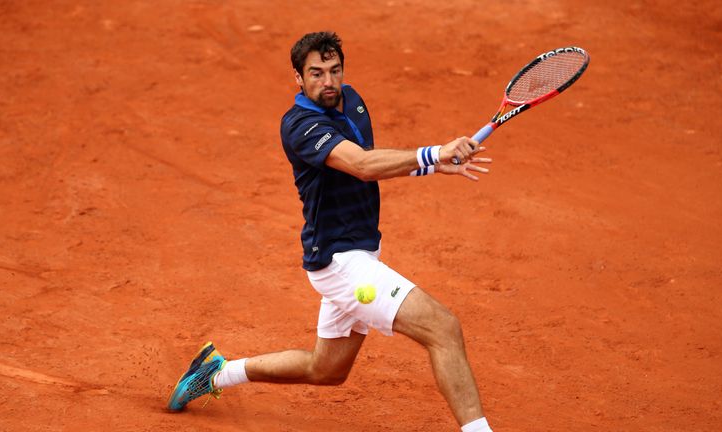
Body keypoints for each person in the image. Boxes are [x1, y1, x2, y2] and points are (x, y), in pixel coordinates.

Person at [167, 31, 494, 432]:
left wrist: (432, 165)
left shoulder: (352, 101)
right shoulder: (300, 125)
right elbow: (361, 165)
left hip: (360, 252)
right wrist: (433, 152)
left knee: (326, 369)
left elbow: (370, 162)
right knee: (442, 328)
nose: (328, 81)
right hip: (340, 261)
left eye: (335, 70)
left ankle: (216, 373)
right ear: (298, 78)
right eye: (316, 73)